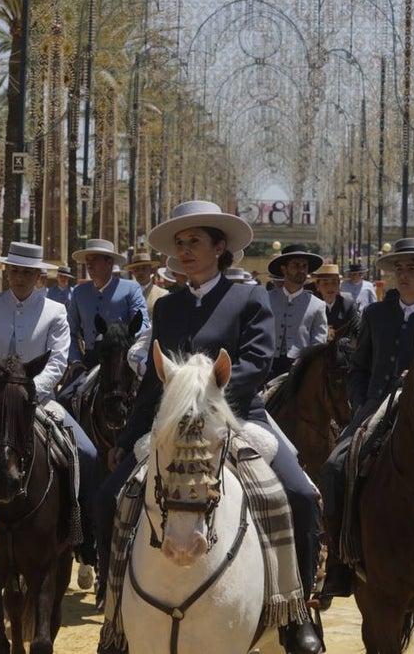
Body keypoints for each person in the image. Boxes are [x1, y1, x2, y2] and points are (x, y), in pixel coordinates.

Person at [97, 200, 324, 654]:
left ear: (220, 247)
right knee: (108, 499)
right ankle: (115, 605)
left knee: (297, 496)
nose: (185, 251)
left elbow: (257, 364)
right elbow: (152, 381)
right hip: (172, 423)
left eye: (194, 242)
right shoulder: (168, 307)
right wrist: (126, 439)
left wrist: (203, 396)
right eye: (179, 244)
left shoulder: (249, 296)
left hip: (237, 417)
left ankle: (295, 611)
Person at [0, 242, 99, 577]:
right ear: (7, 271)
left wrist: (27, 393)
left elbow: (57, 361)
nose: (20, 277)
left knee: (89, 453)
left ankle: (82, 535)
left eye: (27, 272)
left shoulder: (54, 311)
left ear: (38, 276)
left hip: (38, 400)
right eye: (15, 270)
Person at [318, 237, 414, 600]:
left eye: (412, 269)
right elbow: (358, 368)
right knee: (335, 466)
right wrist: (362, 404)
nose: (403, 275)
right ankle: (339, 561)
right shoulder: (375, 315)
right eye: (398, 269)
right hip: (376, 408)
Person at [66, 238, 148, 369]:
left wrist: (129, 345)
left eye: (94, 259)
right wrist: (75, 360)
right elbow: (69, 330)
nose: (89, 264)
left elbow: (142, 325)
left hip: (122, 361)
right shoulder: (79, 292)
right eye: (87, 260)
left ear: (109, 262)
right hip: (88, 362)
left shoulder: (131, 288)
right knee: (67, 390)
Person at [267, 244, 329, 379]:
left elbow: (318, 343)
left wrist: (305, 362)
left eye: (304, 266)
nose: (301, 270)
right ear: (284, 269)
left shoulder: (318, 305)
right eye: (296, 265)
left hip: (299, 368)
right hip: (267, 364)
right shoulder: (267, 299)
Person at [312, 263, 357, 336]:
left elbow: (356, 332)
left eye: (334, 282)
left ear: (339, 285)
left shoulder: (348, 305)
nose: (330, 287)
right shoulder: (311, 306)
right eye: (325, 283)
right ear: (317, 286)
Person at [124, 251, 167, 316]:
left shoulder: (162, 294)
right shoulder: (126, 295)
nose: (140, 272)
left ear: (151, 270)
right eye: (136, 269)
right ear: (133, 272)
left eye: (144, 268)